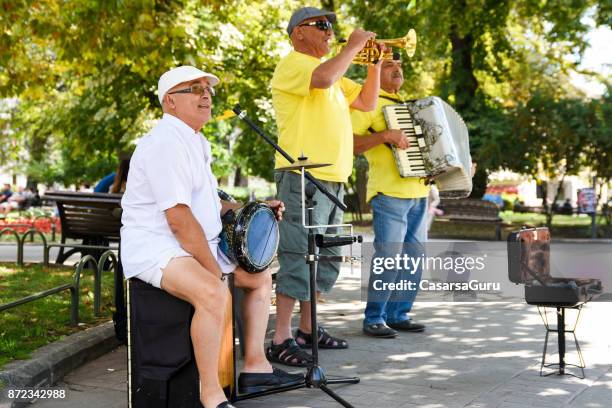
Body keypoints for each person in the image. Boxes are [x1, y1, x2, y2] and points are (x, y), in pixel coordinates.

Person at [120, 66, 302, 408]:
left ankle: (255, 367)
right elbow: (178, 218)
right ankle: (211, 395)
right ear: (170, 102)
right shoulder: (164, 142)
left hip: (190, 245)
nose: (206, 95)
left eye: (208, 89)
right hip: (157, 248)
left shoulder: (195, 140)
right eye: (195, 88)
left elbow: (207, 203)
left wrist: (253, 208)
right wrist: (213, 272)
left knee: (259, 277)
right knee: (213, 294)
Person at [269, 6, 384, 366]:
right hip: (302, 175)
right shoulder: (295, 64)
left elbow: (366, 102)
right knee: (297, 253)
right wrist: (351, 47)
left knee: (325, 257)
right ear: (297, 32)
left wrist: (375, 65)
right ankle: (281, 337)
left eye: (331, 26)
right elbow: (321, 79)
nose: (328, 31)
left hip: (332, 178)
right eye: (320, 25)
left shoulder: (333, 73)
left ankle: (307, 328)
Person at [351, 57, 429, 338]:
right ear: (373, 72)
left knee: (414, 259)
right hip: (389, 194)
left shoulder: (411, 107)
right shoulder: (368, 102)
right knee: (390, 258)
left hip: (420, 192)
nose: (397, 69)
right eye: (387, 65)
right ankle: (374, 318)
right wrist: (385, 135)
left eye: (400, 65)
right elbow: (351, 143)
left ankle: (398, 314)